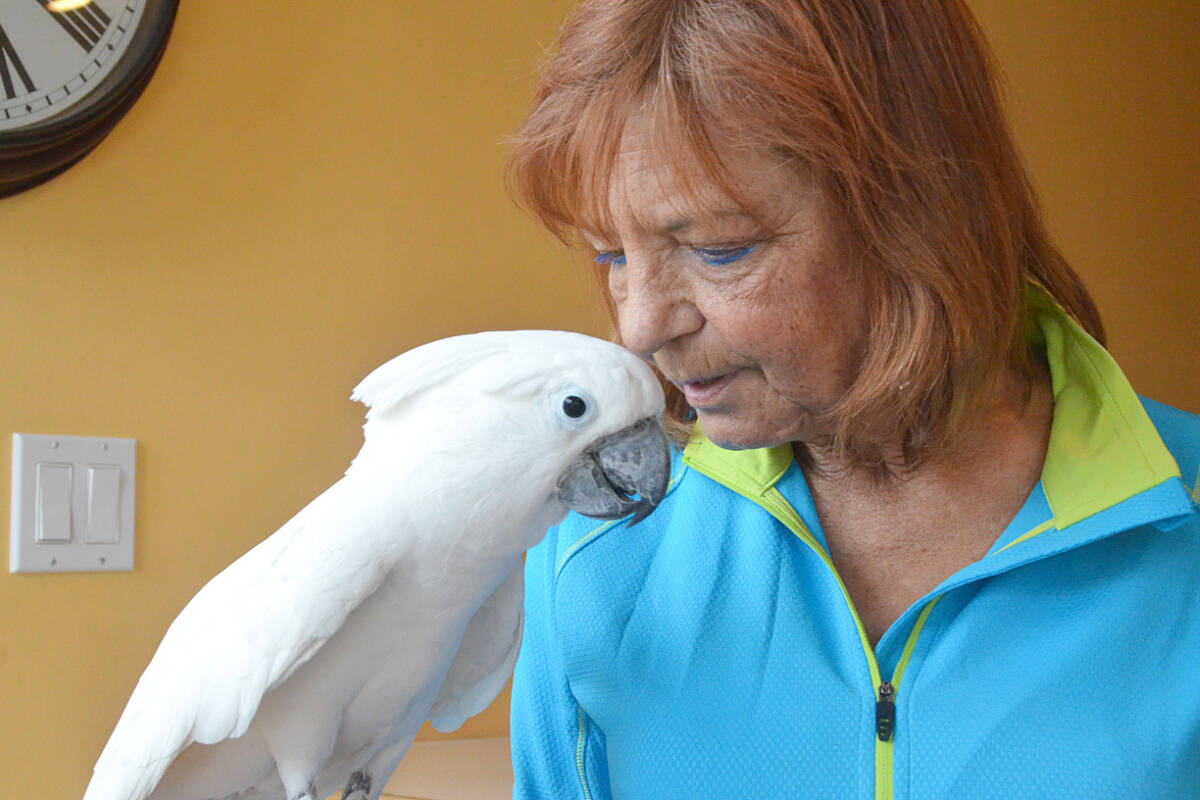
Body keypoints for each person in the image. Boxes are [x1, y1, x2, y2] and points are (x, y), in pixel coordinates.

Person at [505, 1, 1200, 797]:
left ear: (922, 212)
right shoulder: (591, 555)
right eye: (610, 255)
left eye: (719, 249)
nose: (639, 326)